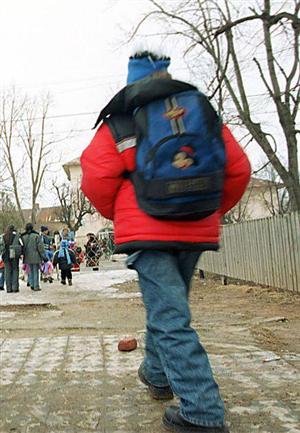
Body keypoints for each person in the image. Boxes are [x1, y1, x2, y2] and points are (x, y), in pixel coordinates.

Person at [80, 51, 251, 433]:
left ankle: (202, 411)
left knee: (171, 317)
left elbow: (95, 178)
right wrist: (209, 208)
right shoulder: (200, 111)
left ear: (132, 80)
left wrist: (121, 213)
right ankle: (157, 376)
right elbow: (238, 168)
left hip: (148, 233)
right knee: (169, 311)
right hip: (196, 230)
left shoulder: (122, 119)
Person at [21, 223, 47, 291]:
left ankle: (32, 284)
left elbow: (22, 247)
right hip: (36, 256)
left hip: (27, 256)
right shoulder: (36, 236)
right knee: (36, 271)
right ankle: (36, 286)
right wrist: (44, 256)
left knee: (30, 270)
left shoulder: (23, 237)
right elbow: (40, 248)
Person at [0, 225, 23, 293]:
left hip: (6, 255)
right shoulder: (17, 236)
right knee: (15, 270)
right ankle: (15, 287)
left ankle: (8, 288)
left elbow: (1, 246)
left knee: (7, 271)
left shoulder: (3, 236)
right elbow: (21, 244)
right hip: (14, 254)